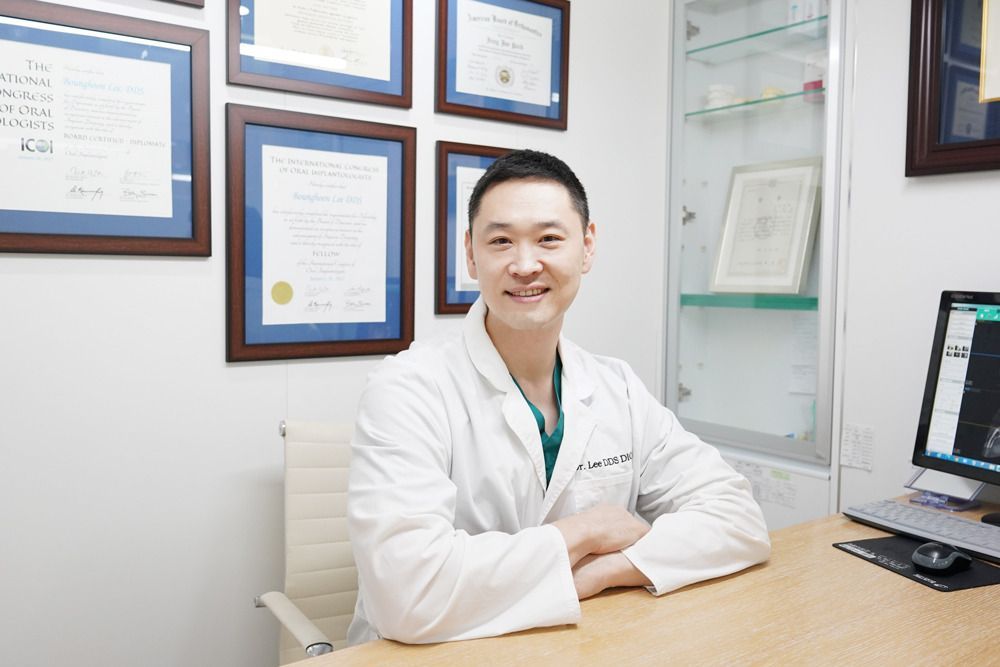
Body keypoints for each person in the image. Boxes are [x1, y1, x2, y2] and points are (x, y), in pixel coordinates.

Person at [346, 150, 770, 645]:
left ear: (587, 247)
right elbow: (408, 595)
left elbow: (739, 521)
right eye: (501, 241)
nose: (525, 265)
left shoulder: (618, 389)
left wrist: (605, 572)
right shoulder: (408, 388)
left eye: (549, 238)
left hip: (585, 642)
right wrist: (583, 534)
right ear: (470, 254)